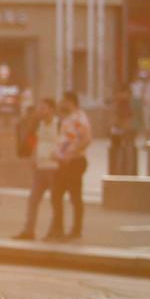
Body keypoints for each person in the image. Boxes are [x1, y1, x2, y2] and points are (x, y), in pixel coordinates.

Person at [46, 90, 92, 242]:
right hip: (64, 161)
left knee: (74, 196)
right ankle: (58, 229)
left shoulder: (79, 118)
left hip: (74, 161)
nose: (61, 103)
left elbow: (86, 139)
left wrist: (71, 154)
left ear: (70, 102)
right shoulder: (68, 118)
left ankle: (75, 230)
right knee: (56, 195)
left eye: (63, 100)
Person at [12, 98, 60, 241]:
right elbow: (33, 141)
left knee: (55, 201)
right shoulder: (38, 125)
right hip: (40, 167)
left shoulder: (59, 124)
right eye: (40, 108)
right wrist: (33, 156)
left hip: (54, 168)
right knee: (33, 200)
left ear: (51, 109)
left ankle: (54, 231)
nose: (40, 112)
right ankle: (29, 230)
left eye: (44, 108)